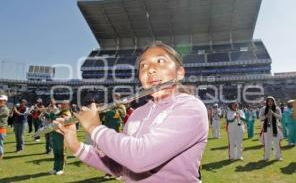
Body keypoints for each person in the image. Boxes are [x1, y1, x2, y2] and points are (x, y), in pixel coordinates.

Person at [54, 41, 209, 182]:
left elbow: (140, 158)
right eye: (143, 66)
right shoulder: (137, 114)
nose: (150, 70)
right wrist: (74, 143)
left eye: (160, 61)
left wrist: (94, 127)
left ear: (180, 72)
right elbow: (120, 166)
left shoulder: (191, 108)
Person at [49, 100, 72, 175]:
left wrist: (54, 114)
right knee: (56, 152)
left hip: (61, 134)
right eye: (61, 104)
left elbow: (62, 120)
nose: (61, 105)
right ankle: (55, 167)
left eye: (64, 104)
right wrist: (52, 110)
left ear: (68, 105)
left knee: (61, 152)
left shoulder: (67, 113)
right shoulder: (60, 111)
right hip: (55, 133)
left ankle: (61, 168)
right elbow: (52, 118)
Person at [259, 96, 282, 161]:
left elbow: (280, 117)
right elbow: (260, 118)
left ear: (273, 101)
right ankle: (266, 157)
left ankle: (278, 156)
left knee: (276, 142)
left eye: (271, 101)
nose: (270, 102)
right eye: (269, 101)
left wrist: (273, 113)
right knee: (267, 143)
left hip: (275, 127)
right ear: (267, 102)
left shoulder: (277, 109)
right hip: (267, 128)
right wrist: (266, 115)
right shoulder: (263, 109)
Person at [0, 95, 10, 159]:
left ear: (5, 101)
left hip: (1, 129)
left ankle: (0, 155)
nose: (0, 101)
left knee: (0, 144)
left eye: (1, 100)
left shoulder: (4, 109)